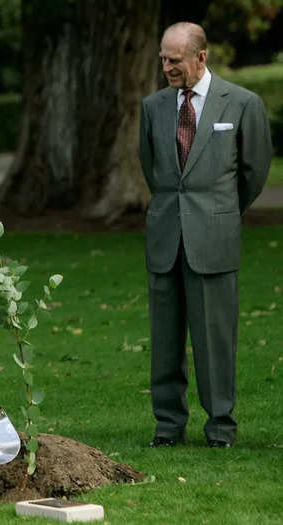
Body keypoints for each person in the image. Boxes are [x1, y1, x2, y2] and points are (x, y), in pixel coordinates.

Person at [139, 22, 272, 448]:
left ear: (201, 57)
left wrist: (219, 212)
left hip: (214, 239)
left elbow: (253, 173)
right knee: (165, 340)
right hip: (164, 238)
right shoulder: (152, 107)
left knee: (214, 339)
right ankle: (168, 425)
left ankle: (220, 427)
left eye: (174, 60)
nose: (166, 67)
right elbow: (152, 168)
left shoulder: (244, 104)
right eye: (163, 59)